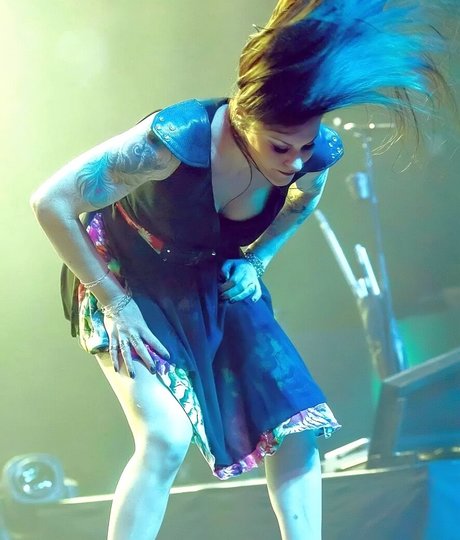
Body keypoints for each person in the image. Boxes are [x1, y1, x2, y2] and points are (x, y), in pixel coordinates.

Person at [30, 1, 447, 539]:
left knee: (295, 422)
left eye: (305, 146)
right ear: (244, 116)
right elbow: (50, 203)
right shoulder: (170, 142)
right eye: (281, 147)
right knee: (165, 438)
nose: (295, 161)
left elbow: (302, 202)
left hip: (210, 276)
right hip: (123, 274)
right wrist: (114, 300)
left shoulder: (313, 156)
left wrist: (258, 260)